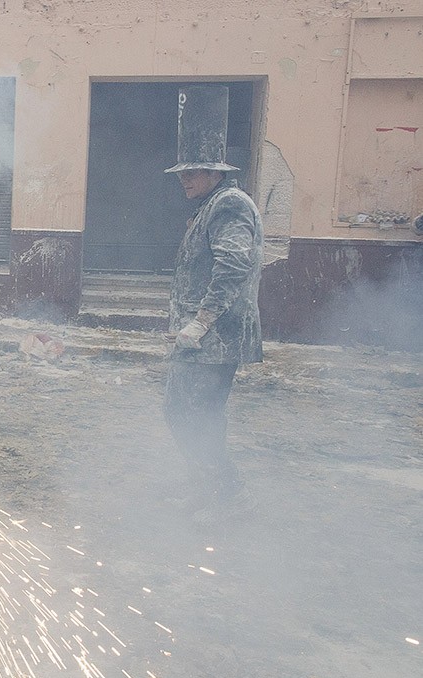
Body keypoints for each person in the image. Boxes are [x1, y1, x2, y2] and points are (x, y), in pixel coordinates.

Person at [162, 86, 263, 523]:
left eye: (195, 171)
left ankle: (230, 497)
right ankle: (204, 489)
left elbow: (233, 266)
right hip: (200, 339)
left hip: (215, 339)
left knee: (196, 416)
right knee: (180, 411)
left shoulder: (230, 205)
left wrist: (201, 322)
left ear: (215, 172)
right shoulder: (211, 204)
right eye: (182, 171)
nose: (185, 178)